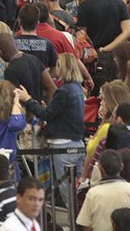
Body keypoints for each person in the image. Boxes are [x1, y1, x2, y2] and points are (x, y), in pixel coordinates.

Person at [21, 53, 86, 206]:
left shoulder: (63, 91)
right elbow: (64, 114)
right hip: (77, 143)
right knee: (78, 189)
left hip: (62, 145)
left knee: (66, 191)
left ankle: (74, 224)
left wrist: (28, 99)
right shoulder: (77, 89)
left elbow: (46, 114)